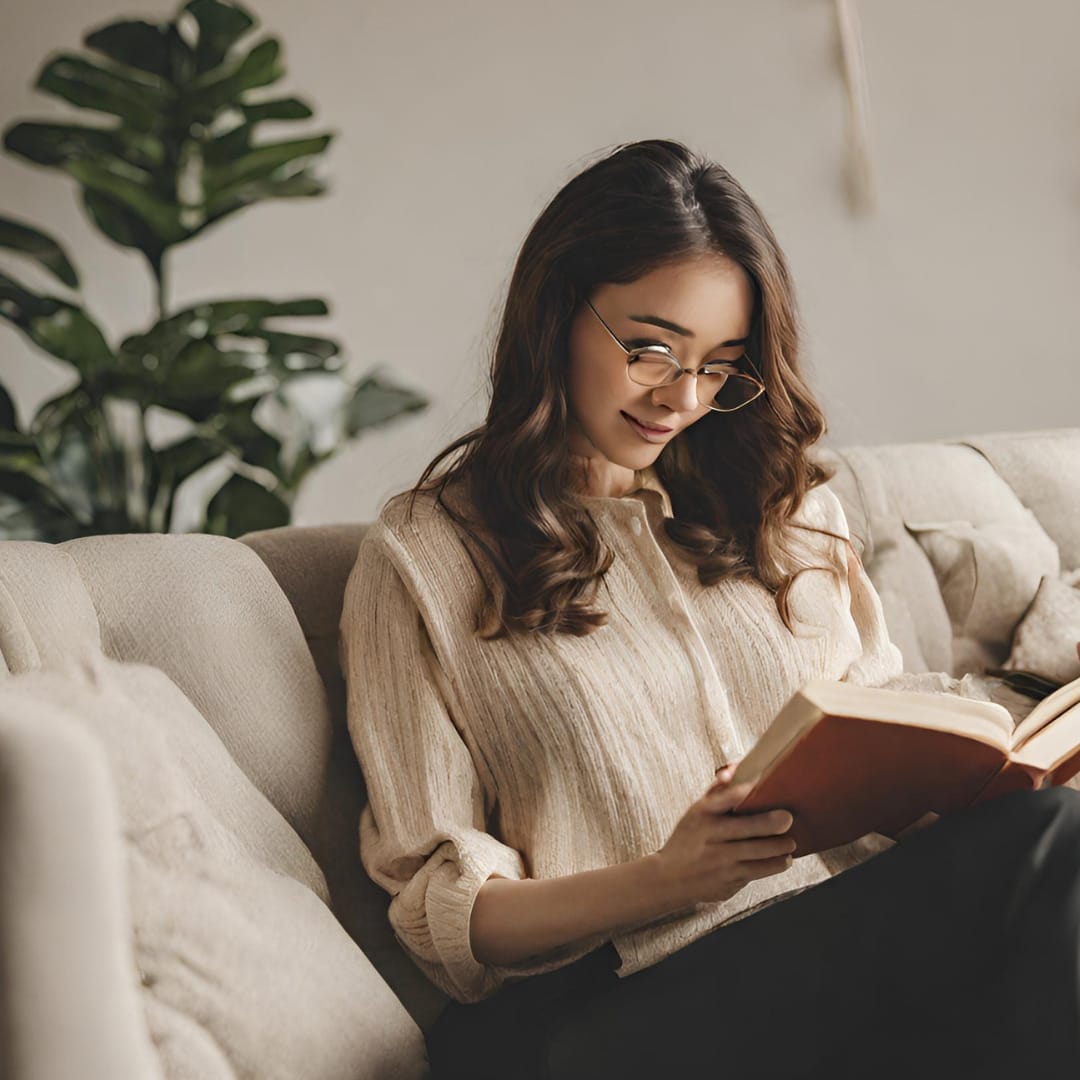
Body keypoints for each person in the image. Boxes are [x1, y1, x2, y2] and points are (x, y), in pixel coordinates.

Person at [338, 139, 1080, 1079]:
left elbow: (885, 733)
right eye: (650, 349)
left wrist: (981, 778)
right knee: (1052, 851)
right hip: (612, 1004)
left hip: (832, 952)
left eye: (720, 365)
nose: (683, 398)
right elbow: (442, 914)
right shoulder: (426, 557)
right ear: (556, 311)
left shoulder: (785, 508)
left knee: (1042, 840)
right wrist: (667, 878)